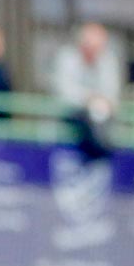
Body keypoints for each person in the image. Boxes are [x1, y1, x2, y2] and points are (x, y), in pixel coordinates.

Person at [53, 21, 121, 161]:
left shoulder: (108, 60)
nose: (93, 51)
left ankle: (100, 152)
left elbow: (111, 92)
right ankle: (99, 153)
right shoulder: (67, 58)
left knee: (102, 117)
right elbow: (65, 93)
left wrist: (99, 102)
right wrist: (88, 99)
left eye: (98, 47)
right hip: (73, 113)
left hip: (102, 114)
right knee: (88, 118)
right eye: (90, 46)